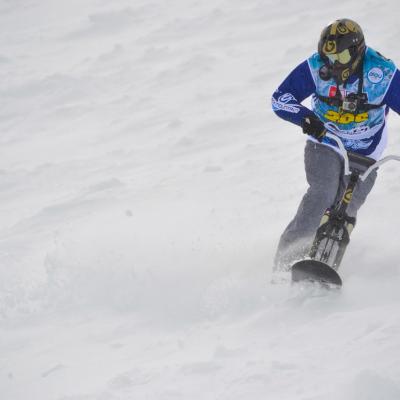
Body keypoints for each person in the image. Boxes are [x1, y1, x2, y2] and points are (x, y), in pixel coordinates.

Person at [271, 18, 400, 271]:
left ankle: (326, 265)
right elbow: (280, 98)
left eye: (339, 57)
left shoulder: (382, 75)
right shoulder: (315, 66)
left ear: (357, 52)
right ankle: (285, 262)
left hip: (366, 151)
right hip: (327, 142)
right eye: (328, 55)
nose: (332, 63)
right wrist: (305, 117)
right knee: (323, 193)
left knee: (347, 207)